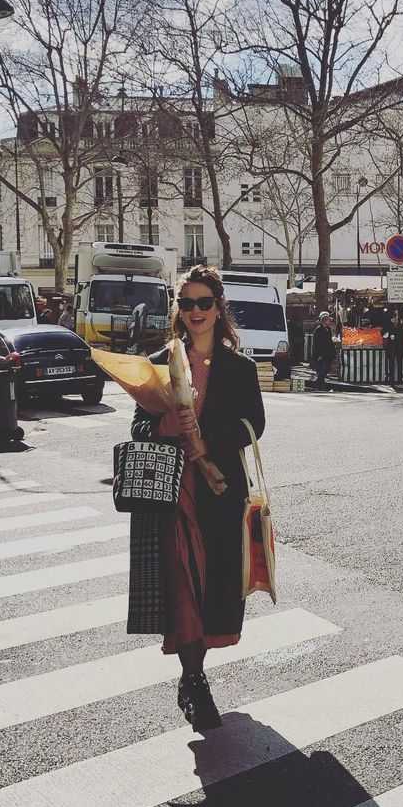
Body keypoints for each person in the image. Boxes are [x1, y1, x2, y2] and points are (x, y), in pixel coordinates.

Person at [128, 266, 265, 732]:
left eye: (204, 302)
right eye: (186, 304)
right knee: (182, 585)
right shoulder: (160, 361)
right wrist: (164, 427)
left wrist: (210, 444)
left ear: (218, 307)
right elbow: (139, 426)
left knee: (213, 584)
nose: (195, 312)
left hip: (219, 491)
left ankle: (194, 675)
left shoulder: (239, 368)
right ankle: (194, 678)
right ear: (178, 309)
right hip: (171, 493)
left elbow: (255, 425)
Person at [311, 311, 337, 390]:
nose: (330, 322)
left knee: (326, 369)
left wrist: (333, 352)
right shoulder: (318, 330)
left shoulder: (328, 330)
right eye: (328, 320)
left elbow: (329, 342)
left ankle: (317, 384)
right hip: (321, 354)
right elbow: (316, 344)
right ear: (324, 320)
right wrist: (317, 355)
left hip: (327, 353)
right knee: (321, 370)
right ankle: (320, 386)